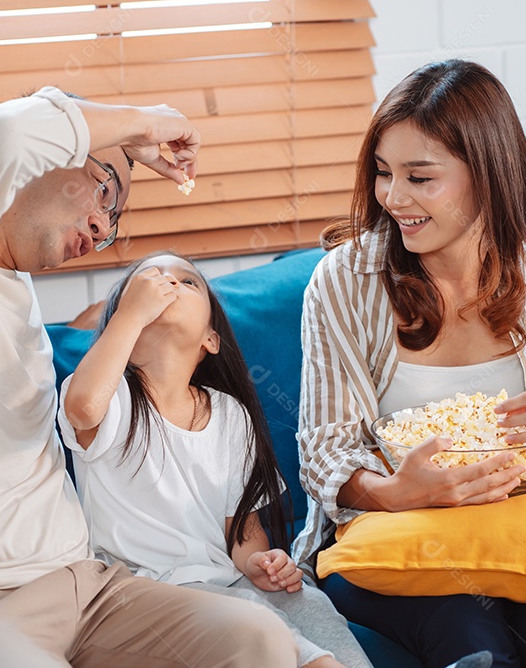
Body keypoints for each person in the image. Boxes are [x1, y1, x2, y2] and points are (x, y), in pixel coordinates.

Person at [0, 87, 300, 667]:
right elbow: (0, 135)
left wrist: (113, 157)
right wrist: (146, 125)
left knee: (260, 639)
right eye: (104, 190)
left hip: (85, 590)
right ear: (47, 156)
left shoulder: (16, 292)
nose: (103, 227)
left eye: (114, 215)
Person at [293, 60, 526, 668]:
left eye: (420, 177)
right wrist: (395, 492)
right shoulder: (344, 283)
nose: (393, 198)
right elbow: (324, 452)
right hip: (401, 534)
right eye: (383, 173)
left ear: (487, 176)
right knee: (468, 639)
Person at [57, 252, 375, 668]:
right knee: (261, 623)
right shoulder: (111, 399)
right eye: (147, 282)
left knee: (307, 603)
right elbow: (82, 409)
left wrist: (260, 563)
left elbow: (241, 530)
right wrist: (129, 317)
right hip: (142, 591)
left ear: (210, 338)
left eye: (187, 282)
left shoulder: (230, 414)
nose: (166, 283)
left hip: (227, 577)